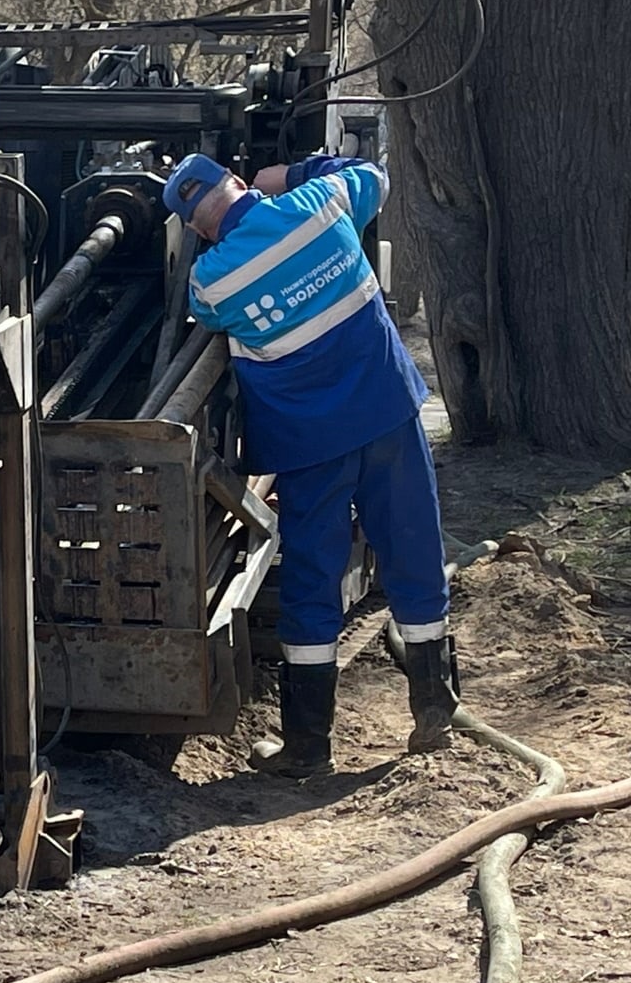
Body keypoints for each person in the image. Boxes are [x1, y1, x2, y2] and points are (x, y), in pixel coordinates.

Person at [163, 148, 459, 774]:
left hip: (308, 443)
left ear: (194, 227)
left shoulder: (211, 280)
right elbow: (373, 175)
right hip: (385, 411)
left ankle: (307, 745)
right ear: (240, 182)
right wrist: (290, 175)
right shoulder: (321, 204)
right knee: (412, 549)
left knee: (311, 579)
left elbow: (208, 317)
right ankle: (435, 708)